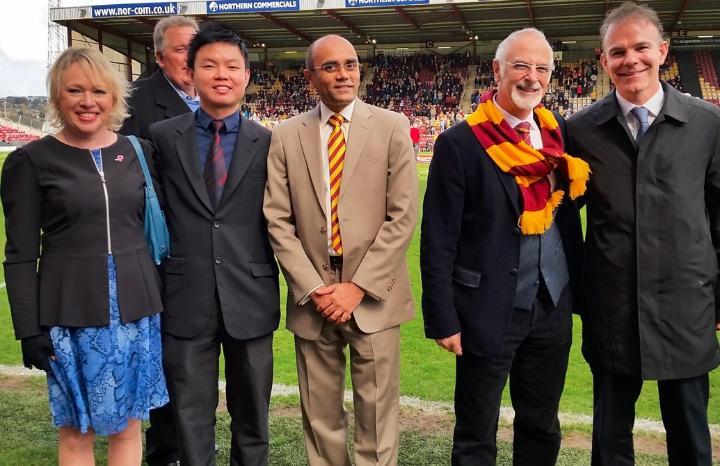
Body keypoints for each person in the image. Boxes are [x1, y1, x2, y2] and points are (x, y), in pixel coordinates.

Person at [421, 28, 588, 466]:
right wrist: (443, 316)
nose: (531, 77)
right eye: (520, 65)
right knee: (477, 431)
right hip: (486, 307)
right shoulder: (460, 143)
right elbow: (438, 238)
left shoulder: (558, 135)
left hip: (551, 306)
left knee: (541, 424)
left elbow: (569, 214)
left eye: (541, 69)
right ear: (496, 70)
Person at [565, 3, 720, 465]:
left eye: (641, 47)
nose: (630, 59)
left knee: (690, 431)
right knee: (610, 436)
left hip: (686, 303)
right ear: (603, 59)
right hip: (613, 305)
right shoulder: (581, 130)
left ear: (663, 50)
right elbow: (562, 220)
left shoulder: (707, 124)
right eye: (618, 51)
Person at [0, 47, 168, 465]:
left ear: (114, 98)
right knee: (78, 429)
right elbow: (20, 253)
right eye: (74, 90)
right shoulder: (30, 160)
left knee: (129, 426)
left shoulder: (138, 151)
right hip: (69, 314)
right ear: (58, 97)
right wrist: (28, 330)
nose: (87, 101)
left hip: (136, 311)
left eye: (98, 91)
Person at [264, 34, 418, 466]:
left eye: (350, 64)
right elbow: (278, 220)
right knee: (320, 415)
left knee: (377, 415)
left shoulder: (391, 127)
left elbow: (402, 216)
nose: (344, 73)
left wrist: (358, 287)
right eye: (330, 66)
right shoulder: (286, 135)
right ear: (310, 76)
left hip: (372, 293)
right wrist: (315, 288)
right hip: (313, 293)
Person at [148, 23, 279, 466]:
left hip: (252, 295)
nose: (221, 74)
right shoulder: (164, 137)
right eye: (209, 65)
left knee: (253, 415)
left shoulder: (269, 142)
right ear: (191, 71)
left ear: (246, 75)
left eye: (232, 66)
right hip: (184, 296)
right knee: (189, 415)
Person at [118, 15, 198, 466]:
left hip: (211, 255)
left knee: (196, 363)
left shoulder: (216, 95)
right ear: (160, 55)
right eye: (184, 48)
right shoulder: (134, 103)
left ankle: (193, 447)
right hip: (159, 256)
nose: (194, 57)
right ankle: (166, 451)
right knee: (169, 357)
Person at [119, 16, 199, 140]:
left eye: (195, 48)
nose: (191, 57)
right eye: (180, 50)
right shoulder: (132, 99)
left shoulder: (215, 94)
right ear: (160, 58)